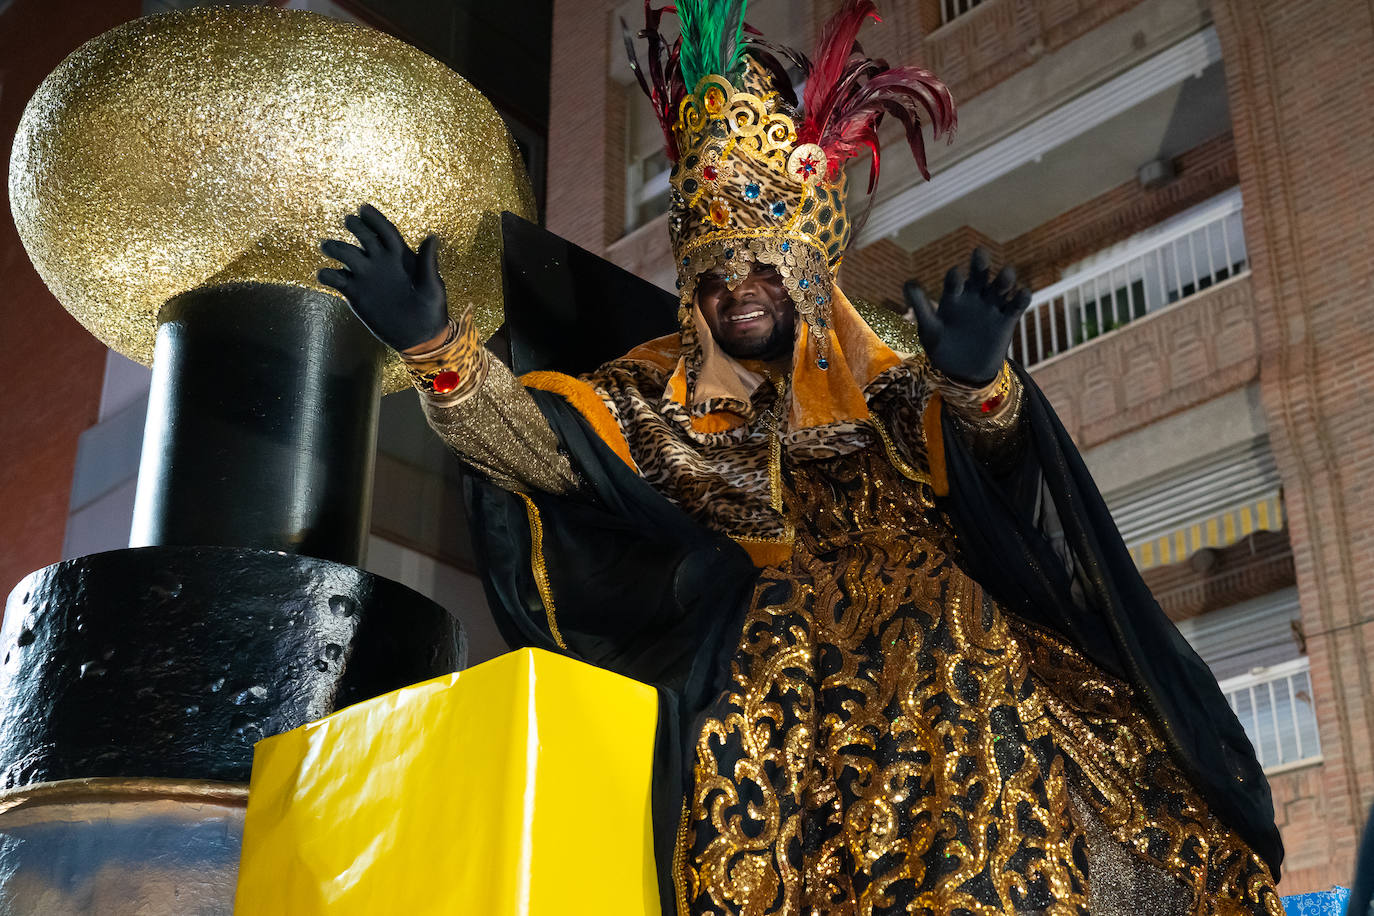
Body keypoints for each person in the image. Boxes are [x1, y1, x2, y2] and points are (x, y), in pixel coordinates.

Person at [319, 1, 1284, 912]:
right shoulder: (647, 399)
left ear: (808, 273)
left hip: (970, 653)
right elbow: (540, 451)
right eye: (715, 273)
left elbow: (998, 482)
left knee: (1144, 806)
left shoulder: (885, 387)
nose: (738, 288)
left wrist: (978, 383)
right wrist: (437, 347)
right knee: (914, 630)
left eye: (764, 268)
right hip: (763, 661)